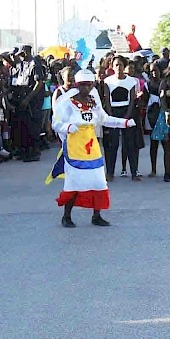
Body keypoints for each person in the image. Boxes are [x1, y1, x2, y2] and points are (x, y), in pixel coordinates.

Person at [47, 69, 136, 228]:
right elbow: (55, 123)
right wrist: (67, 127)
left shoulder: (93, 102)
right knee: (74, 182)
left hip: (91, 145)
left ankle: (97, 215)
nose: (86, 88)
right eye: (83, 85)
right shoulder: (67, 102)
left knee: (98, 181)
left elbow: (104, 119)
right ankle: (66, 216)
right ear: (77, 85)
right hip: (75, 146)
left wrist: (124, 122)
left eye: (89, 85)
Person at [102, 56, 140, 182]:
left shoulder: (132, 81)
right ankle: (110, 173)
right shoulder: (108, 81)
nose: (119, 67)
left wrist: (127, 116)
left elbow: (132, 101)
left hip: (127, 112)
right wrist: (111, 116)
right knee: (113, 145)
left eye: (121, 65)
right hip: (113, 113)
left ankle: (134, 172)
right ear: (112, 67)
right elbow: (107, 100)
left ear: (124, 66)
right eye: (116, 65)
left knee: (129, 144)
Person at [9, 46, 44, 162]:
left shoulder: (35, 65)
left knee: (33, 126)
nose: (20, 56)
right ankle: (25, 151)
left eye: (22, 54)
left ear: (27, 52)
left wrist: (28, 98)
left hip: (33, 101)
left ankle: (34, 152)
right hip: (23, 98)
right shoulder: (23, 64)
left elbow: (38, 83)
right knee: (24, 126)